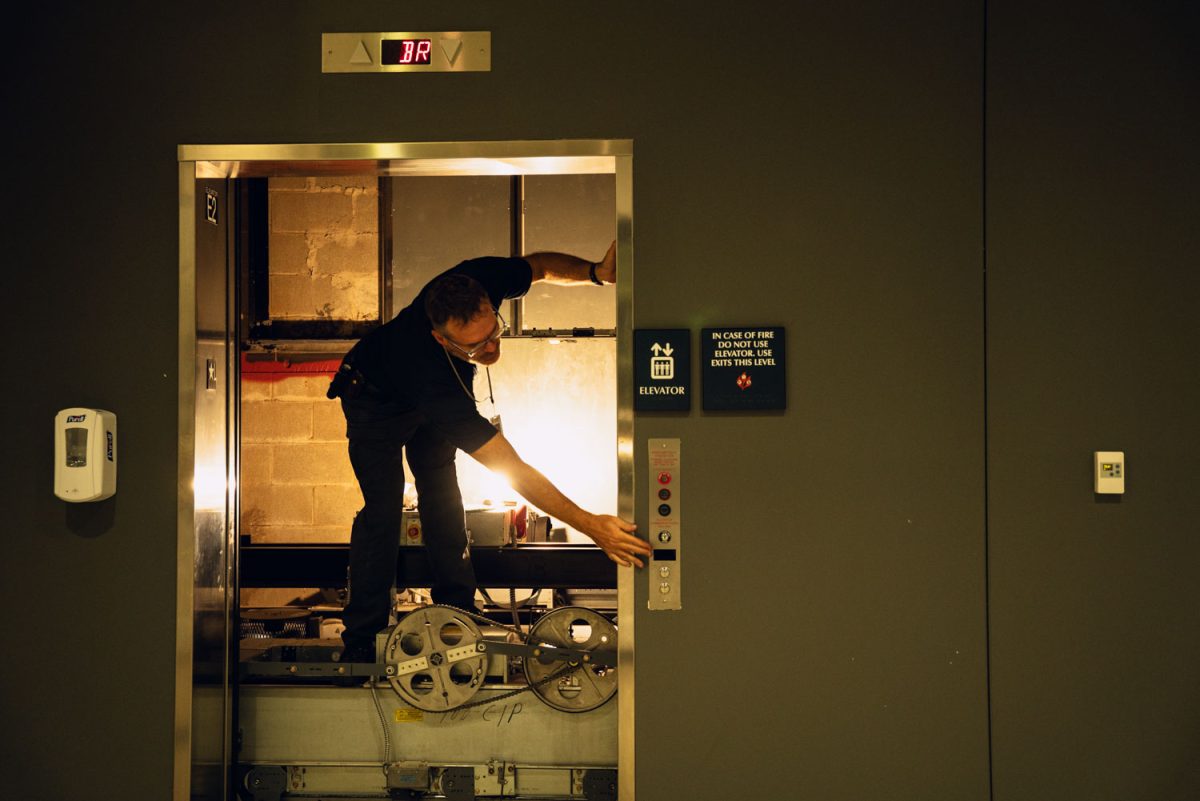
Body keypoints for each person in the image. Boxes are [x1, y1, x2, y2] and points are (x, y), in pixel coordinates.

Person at [327, 242, 652, 661]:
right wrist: (590, 524)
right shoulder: (431, 379)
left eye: (493, 334)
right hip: (375, 399)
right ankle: (362, 638)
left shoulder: (477, 279)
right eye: (476, 349)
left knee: (443, 493)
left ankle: (456, 612)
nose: (491, 350)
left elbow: (539, 266)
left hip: (428, 390)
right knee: (383, 510)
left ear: (487, 304)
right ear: (440, 339)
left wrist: (594, 272)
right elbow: (511, 467)